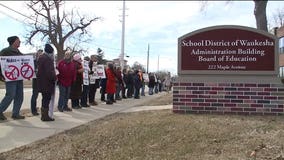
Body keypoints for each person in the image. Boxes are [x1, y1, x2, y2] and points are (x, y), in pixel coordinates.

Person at [0, 36, 25, 120]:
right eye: (18, 41)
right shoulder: (5, 51)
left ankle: (15, 113)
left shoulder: (19, 52)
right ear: (13, 42)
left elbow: (25, 64)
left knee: (20, 96)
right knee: (10, 95)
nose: (20, 42)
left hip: (19, 78)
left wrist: (28, 73)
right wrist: (1, 75)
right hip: (10, 78)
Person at [37, 44, 57, 121]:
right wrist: (55, 77)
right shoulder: (48, 59)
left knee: (44, 98)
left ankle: (44, 115)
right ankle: (45, 116)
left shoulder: (41, 58)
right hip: (47, 83)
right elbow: (50, 72)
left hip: (42, 82)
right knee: (46, 99)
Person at [30, 49, 43, 116]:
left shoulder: (44, 61)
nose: (40, 55)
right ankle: (33, 110)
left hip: (43, 81)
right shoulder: (33, 62)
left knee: (45, 96)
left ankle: (44, 109)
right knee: (35, 96)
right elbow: (30, 71)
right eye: (39, 54)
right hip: (36, 81)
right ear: (37, 55)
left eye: (41, 54)